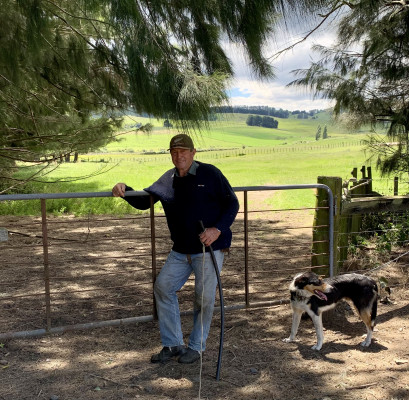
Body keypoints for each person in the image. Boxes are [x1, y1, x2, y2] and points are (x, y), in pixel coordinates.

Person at [112, 133, 239, 364]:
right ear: (170, 154)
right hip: (181, 250)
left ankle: (196, 347)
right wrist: (124, 189)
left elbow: (232, 202)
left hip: (209, 249)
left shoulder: (210, 173)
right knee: (163, 287)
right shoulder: (168, 179)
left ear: (193, 153)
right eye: (174, 151)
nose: (179, 156)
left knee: (204, 298)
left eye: (183, 151)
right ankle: (172, 344)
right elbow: (145, 201)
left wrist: (217, 229)